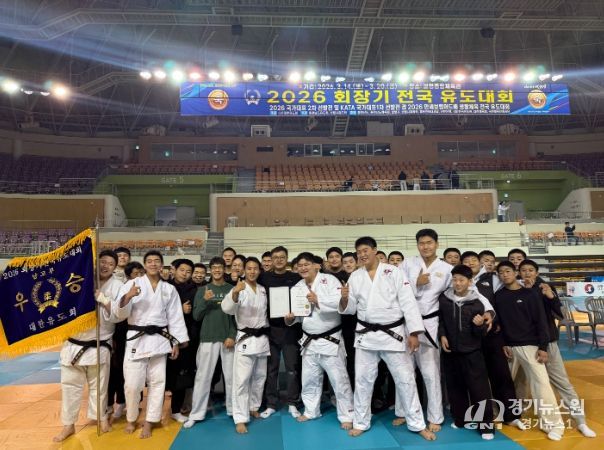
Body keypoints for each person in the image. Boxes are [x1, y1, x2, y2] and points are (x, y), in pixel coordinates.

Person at [339, 236, 435, 440]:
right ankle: (361, 422)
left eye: (365, 250)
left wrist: (414, 332)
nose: (362, 254)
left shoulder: (394, 272)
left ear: (375, 250)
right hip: (366, 335)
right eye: (359, 252)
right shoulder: (355, 276)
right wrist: (345, 298)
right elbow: (351, 309)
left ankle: (417, 423)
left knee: (406, 380)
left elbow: (408, 302)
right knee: (363, 381)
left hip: (393, 334)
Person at [113, 250, 189, 439]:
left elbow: (175, 317)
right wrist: (128, 297)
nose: (153, 264)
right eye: (149, 261)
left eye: (157, 261)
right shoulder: (132, 284)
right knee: (132, 384)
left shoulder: (168, 289)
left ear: (162, 265)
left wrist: (176, 341)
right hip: (137, 338)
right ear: (145, 264)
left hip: (159, 339)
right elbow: (119, 314)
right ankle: (131, 418)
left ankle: (150, 420)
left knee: (158, 382)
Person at [519, 260, 596, 438]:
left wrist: (550, 297)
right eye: (523, 270)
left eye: (530, 270)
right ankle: (541, 420)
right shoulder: (517, 290)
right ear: (519, 273)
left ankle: (580, 421)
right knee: (537, 385)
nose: (527, 273)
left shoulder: (545, 288)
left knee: (563, 383)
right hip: (527, 344)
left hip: (549, 343)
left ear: (537, 273)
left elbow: (561, 314)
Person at [53, 250, 123, 442]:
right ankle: (68, 425)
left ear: (115, 268)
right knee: (70, 387)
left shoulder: (118, 286)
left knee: (99, 388)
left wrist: (103, 298)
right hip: (73, 344)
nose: (105, 266)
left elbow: (119, 314)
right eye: (102, 262)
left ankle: (101, 418)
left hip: (100, 344)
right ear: (95, 262)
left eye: (110, 263)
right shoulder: (78, 278)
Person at [494, 261, 565, 441]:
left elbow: (541, 321)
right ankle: (505, 415)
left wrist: (542, 347)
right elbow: (499, 324)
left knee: (541, 385)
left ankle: (553, 424)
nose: (504, 275)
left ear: (515, 272)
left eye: (508, 271)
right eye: (501, 272)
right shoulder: (499, 296)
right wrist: (503, 344)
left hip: (530, 346)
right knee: (504, 384)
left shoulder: (530, 294)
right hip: (509, 348)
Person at [285, 253, 354, 429]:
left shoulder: (329, 280)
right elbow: (299, 316)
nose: (303, 268)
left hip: (330, 339)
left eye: (306, 264)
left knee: (339, 380)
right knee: (309, 379)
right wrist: (290, 319)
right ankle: (311, 411)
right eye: (299, 265)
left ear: (316, 265)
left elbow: (340, 304)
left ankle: (347, 414)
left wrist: (318, 300)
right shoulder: (297, 287)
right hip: (309, 341)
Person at [460, 251, 525, 431]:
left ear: (480, 263)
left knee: (502, 376)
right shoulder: (458, 282)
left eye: (474, 260)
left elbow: (513, 287)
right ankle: (484, 416)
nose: (470, 263)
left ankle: (512, 415)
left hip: (493, 335)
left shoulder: (493, 278)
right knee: (476, 379)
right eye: (466, 261)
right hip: (470, 338)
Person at [398, 229, 453, 432]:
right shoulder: (407, 264)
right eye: (421, 243)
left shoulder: (447, 269)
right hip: (406, 324)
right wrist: (416, 283)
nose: (425, 247)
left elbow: (454, 296)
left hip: (430, 324)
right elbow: (397, 290)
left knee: (431, 374)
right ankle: (403, 412)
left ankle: (435, 416)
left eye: (429, 242)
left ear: (437, 244)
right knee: (404, 372)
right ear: (417, 245)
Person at [438, 264, 494, 440]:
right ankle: (460, 419)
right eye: (454, 279)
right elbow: (441, 320)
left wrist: (479, 325)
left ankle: (485, 425)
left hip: (472, 353)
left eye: (461, 280)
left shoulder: (477, 303)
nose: (457, 283)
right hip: (450, 352)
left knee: (479, 389)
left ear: (470, 282)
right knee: (455, 387)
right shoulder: (445, 299)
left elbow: (482, 333)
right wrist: (442, 335)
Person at [185, 257, 237, 428]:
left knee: (231, 377)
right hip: (207, 338)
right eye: (214, 267)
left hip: (227, 338)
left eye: (220, 267)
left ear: (224, 269)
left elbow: (236, 316)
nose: (217, 270)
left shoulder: (231, 289)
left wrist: (232, 335)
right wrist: (206, 300)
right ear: (210, 270)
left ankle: (233, 410)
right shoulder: (203, 290)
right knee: (202, 377)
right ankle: (196, 413)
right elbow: (196, 316)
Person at [221, 257, 270, 434]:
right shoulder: (239, 287)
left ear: (259, 271)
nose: (252, 271)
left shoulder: (263, 289)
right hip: (245, 339)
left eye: (255, 268)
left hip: (262, 338)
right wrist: (235, 292)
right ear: (244, 271)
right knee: (241, 381)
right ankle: (240, 417)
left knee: (259, 376)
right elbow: (227, 308)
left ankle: (253, 406)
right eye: (249, 268)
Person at [259, 246, 303, 419]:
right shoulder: (263, 278)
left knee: (292, 368)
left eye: (282, 257)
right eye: (275, 257)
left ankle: (292, 402)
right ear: (271, 260)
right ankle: (271, 403)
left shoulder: (296, 278)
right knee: (271, 369)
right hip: (270, 329)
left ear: (287, 259)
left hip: (291, 329)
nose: (278, 260)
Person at [107, 260, 144, 420]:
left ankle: (132, 403)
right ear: (128, 276)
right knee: (117, 371)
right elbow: (117, 312)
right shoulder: (122, 288)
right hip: (120, 335)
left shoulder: (147, 289)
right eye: (136, 274)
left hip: (139, 336)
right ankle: (117, 403)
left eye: (141, 273)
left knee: (136, 374)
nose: (139, 276)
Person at [166, 259, 200, 423]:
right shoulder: (165, 287)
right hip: (163, 337)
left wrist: (187, 338)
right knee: (161, 376)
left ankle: (176, 409)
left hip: (185, 338)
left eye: (188, 271)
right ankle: (155, 411)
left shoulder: (194, 290)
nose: (185, 274)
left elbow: (196, 315)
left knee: (181, 375)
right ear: (174, 270)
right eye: (182, 270)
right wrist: (180, 309)